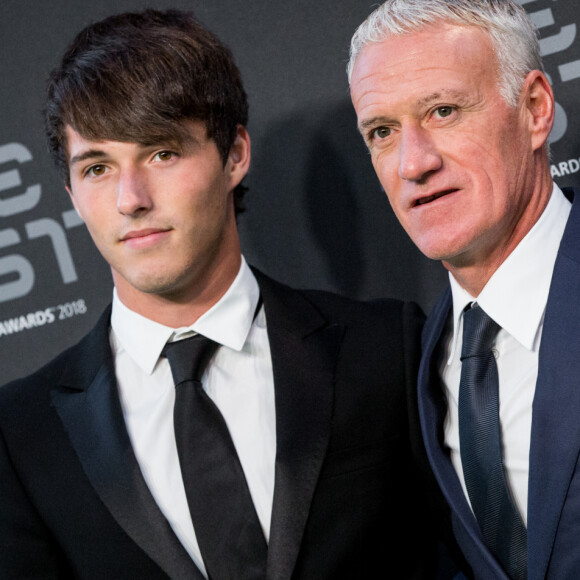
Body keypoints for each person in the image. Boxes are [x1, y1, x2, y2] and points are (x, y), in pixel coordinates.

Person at [0, 9, 435, 580]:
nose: (131, 198)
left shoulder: (385, 347)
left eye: (162, 153)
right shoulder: (21, 433)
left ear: (234, 155)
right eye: (99, 167)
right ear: (72, 194)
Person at [349, 0, 580, 578]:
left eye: (444, 111)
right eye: (382, 131)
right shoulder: (424, 361)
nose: (412, 163)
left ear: (534, 110)